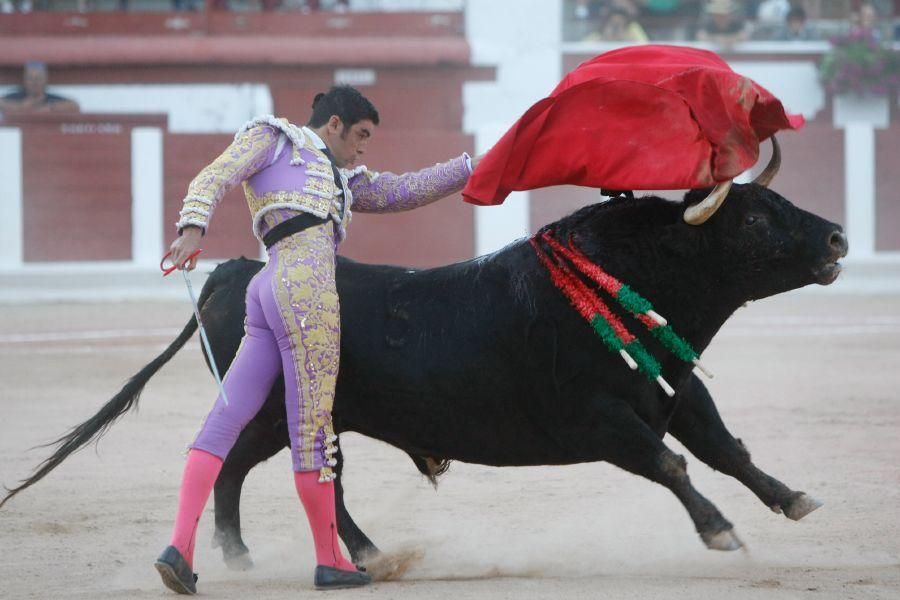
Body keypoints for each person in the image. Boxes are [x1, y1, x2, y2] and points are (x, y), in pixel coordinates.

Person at [155, 85, 477, 594]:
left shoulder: (338, 176)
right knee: (313, 432)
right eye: (362, 136)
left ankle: (179, 547)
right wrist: (193, 226)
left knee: (225, 418)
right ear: (334, 124)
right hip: (307, 289)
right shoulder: (274, 136)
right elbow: (217, 174)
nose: (364, 148)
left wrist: (472, 167)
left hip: (265, 287)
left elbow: (405, 190)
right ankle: (330, 561)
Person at [0, 62, 79, 115]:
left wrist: (50, 108)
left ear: (45, 80)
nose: (35, 82)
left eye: (38, 78)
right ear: (25, 80)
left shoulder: (51, 99)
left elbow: (74, 105)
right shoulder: (16, 97)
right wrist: (21, 107)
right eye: (31, 79)